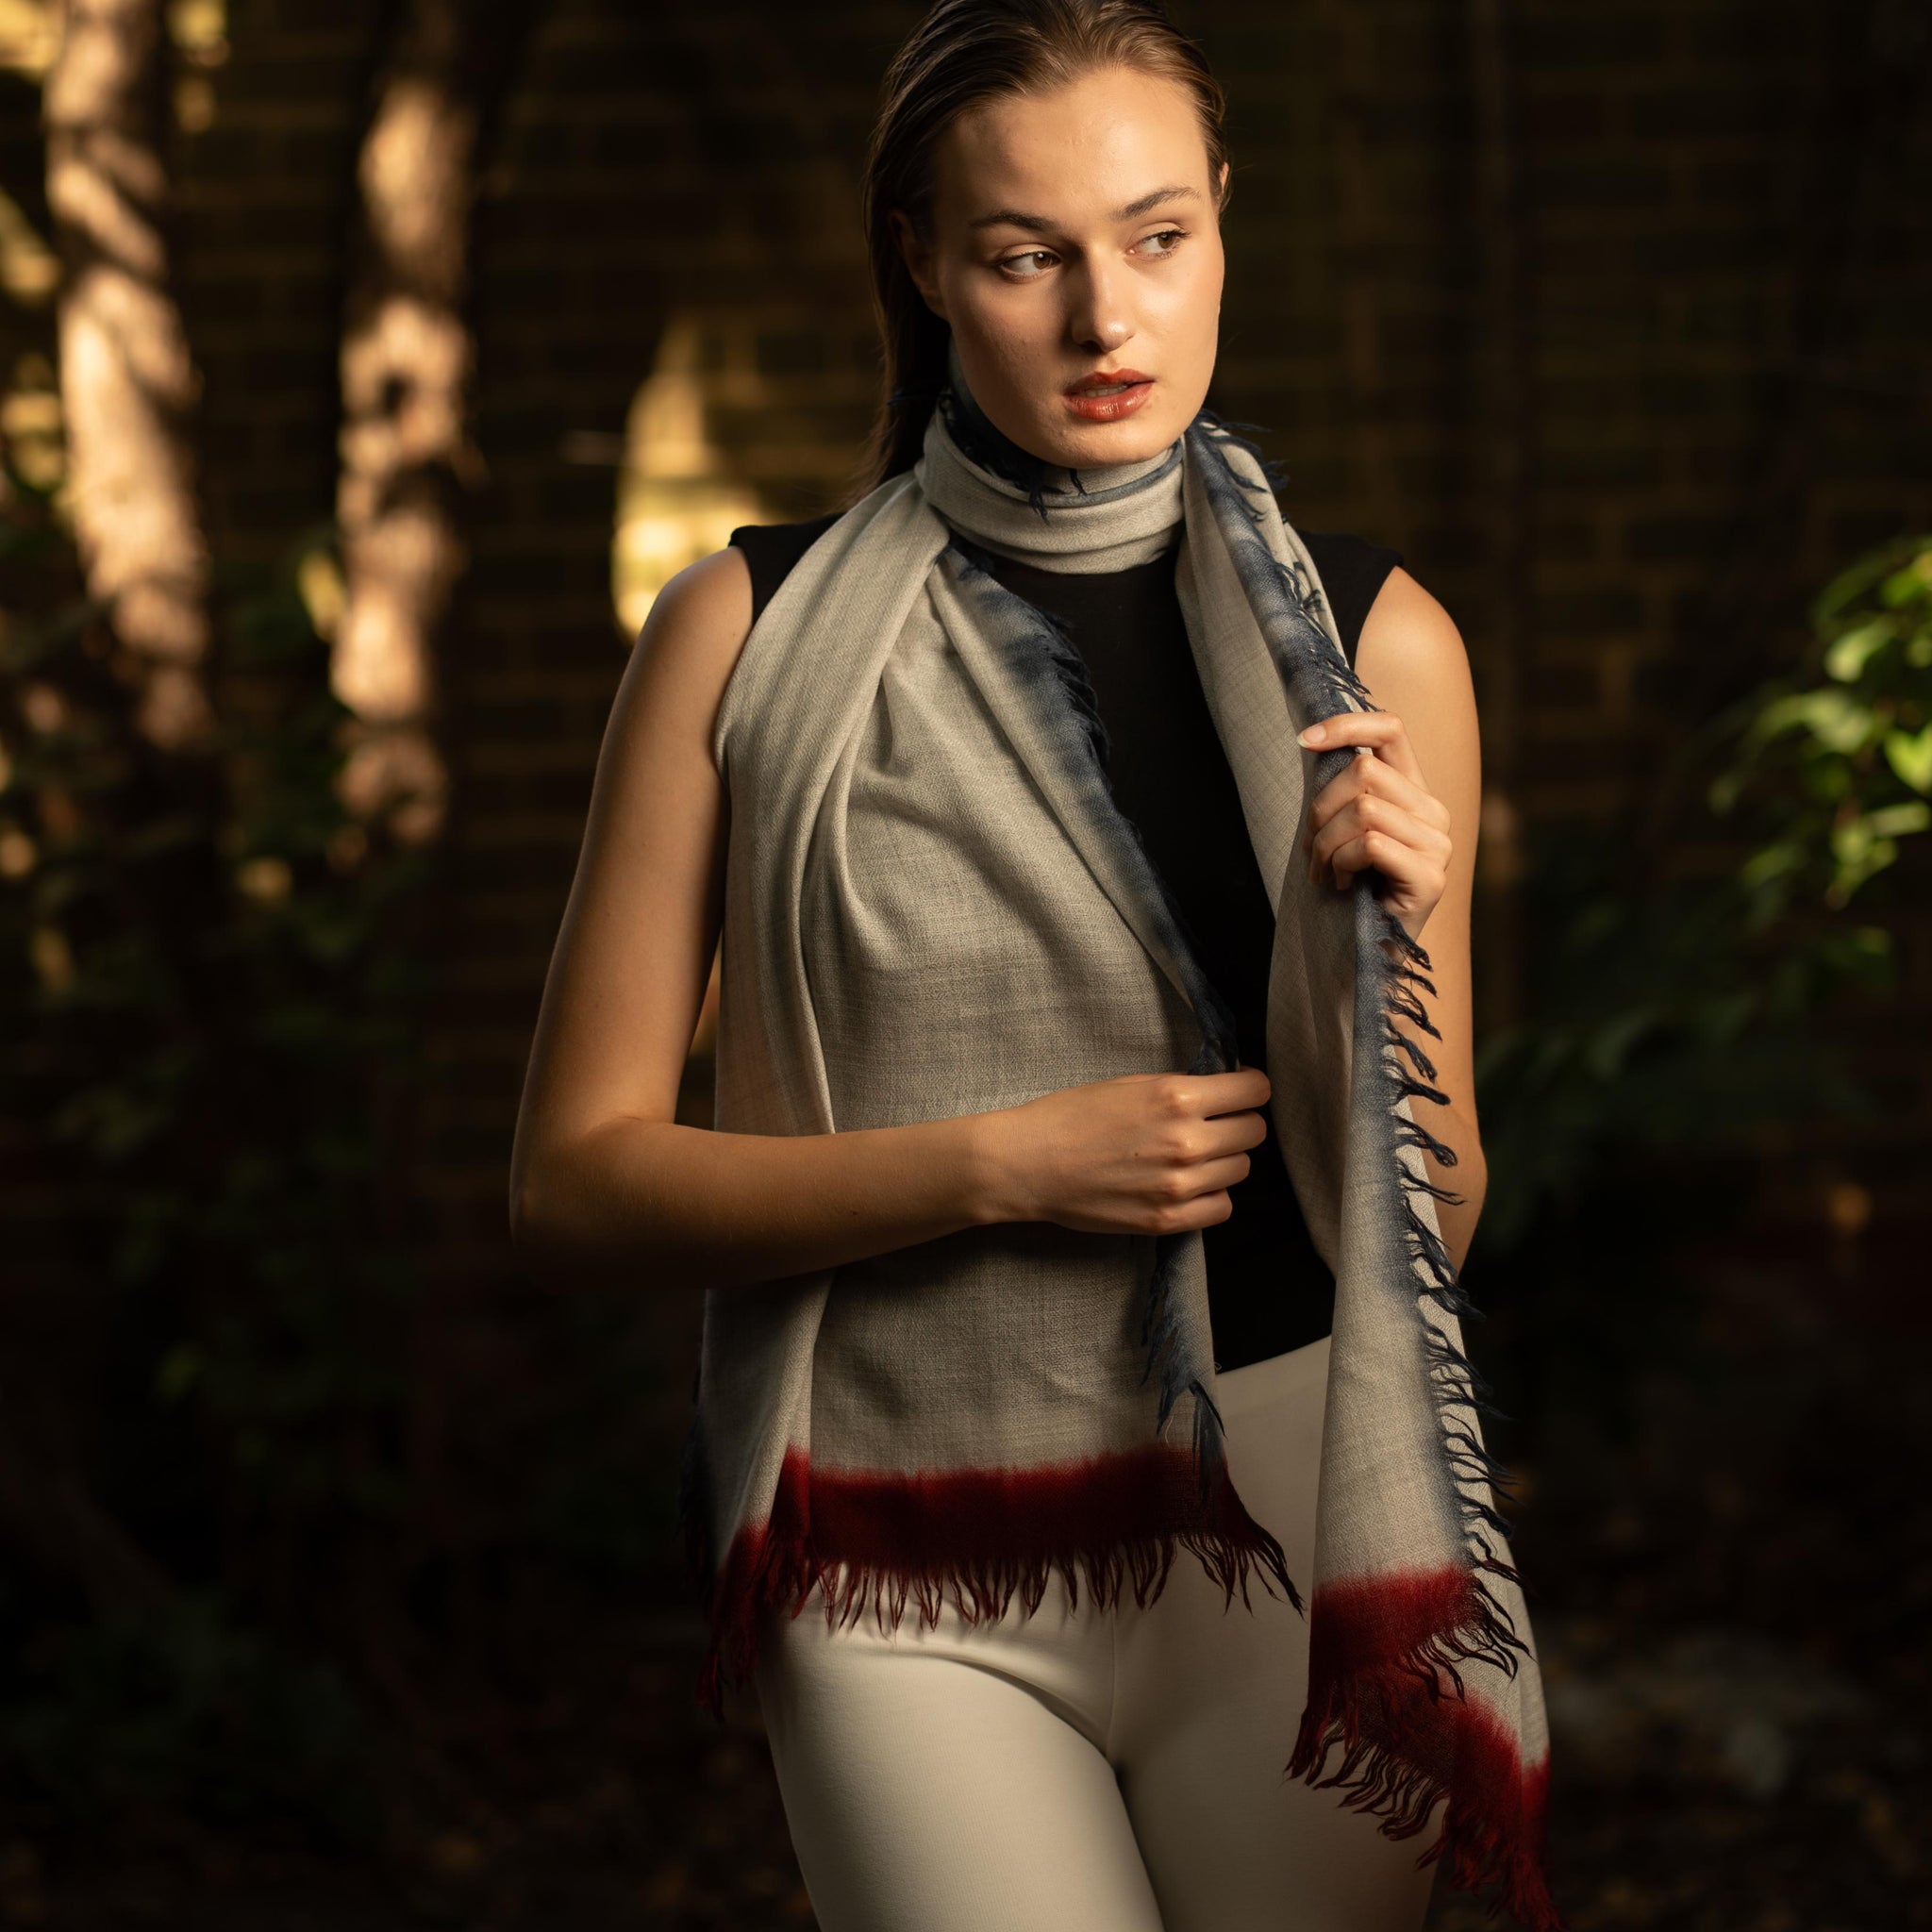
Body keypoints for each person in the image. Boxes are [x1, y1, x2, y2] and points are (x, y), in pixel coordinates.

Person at [510, 5, 1519, 1930]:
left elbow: (1438, 1213)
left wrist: (1361, 951)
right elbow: (574, 1184)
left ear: (1226, 215)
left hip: (1305, 1521)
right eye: (1019, 253)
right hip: (903, 1554)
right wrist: (1004, 1165)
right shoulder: (740, 635)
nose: (1103, 318)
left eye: (1156, 236)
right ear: (918, 260)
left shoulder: (1379, 650)